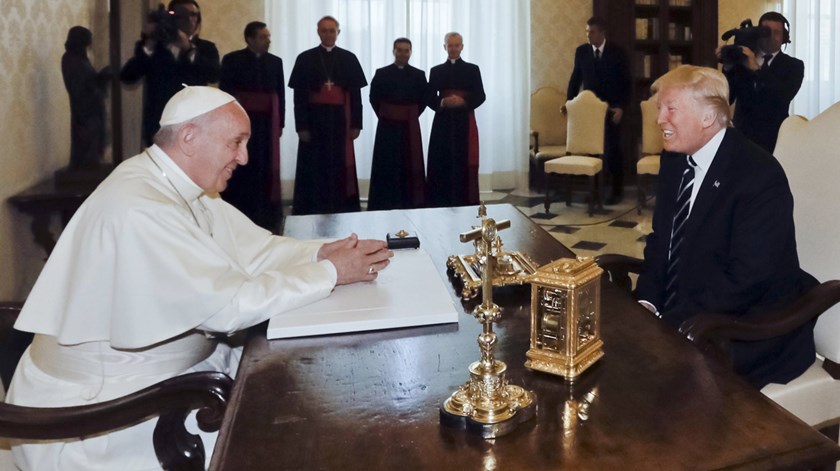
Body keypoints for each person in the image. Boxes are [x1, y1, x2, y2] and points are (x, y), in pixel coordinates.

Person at [6, 86, 392, 470]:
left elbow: (257, 250)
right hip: (108, 415)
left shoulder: (181, 187)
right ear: (190, 137)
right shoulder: (141, 206)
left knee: (306, 394)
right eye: (236, 142)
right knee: (294, 439)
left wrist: (321, 253)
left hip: (174, 377)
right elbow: (228, 307)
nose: (243, 157)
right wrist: (331, 272)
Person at [635, 65, 816, 389]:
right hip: (693, 312)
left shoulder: (758, 176)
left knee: (652, 389)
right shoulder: (676, 160)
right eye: (660, 108)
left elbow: (745, 280)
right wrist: (647, 303)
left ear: (707, 117)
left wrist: (669, 323)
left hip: (748, 327)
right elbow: (663, 240)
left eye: (670, 108)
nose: (660, 119)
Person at [288, 16, 367, 215]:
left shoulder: (349, 58)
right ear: (318, 32)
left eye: (332, 30)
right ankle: (313, 207)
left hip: (341, 121)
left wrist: (356, 124)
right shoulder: (305, 58)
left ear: (338, 33)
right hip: (315, 121)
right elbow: (299, 97)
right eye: (324, 30)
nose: (328, 34)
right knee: (314, 167)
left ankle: (341, 207)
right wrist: (301, 126)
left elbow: (356, 96)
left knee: (339, 168)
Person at [120, 0, 220, 146]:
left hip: (193, 122)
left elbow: (214, 75)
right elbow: (127, 77)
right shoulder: (153, 47)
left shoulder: (206, 48)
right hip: (159, 123)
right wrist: (148, 47)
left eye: (194, 15)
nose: (190, 20)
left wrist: (189, 50)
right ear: (172, 19)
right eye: (184, 15)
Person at [220, 21, 285, 231]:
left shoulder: (276, 62)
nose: (268, 41)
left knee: (265, 169)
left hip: (267, 127)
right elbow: (226, 94)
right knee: (243, 168)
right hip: (241, 126)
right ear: (249, 39)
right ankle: (242, 213)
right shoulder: (232, 60)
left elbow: (280, 96)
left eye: (268, 37)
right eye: (263, 37)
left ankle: (267, 216)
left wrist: (280, 124)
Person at [566, 16, 631, 205]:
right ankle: (594, 191)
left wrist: (621, 108)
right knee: (592, 152)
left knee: (613, 150)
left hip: (612, 110)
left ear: (602, 33)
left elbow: (627, 83)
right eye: (587, 31)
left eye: (592, 32)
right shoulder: (582, 52)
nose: (588, 35)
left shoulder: (617, 52)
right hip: (589, 112)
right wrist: (569, 104)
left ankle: (616, 191)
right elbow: (575, 80)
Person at [718, 11, 803, 153]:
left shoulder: (794, 66)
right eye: (766, 32)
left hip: (774, 140)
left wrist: (757, 69)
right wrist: (728, 66)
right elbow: (727, 96)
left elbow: (782, 96)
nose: (771, 37)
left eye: (777, 32)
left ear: (784, 37)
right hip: (742, 137)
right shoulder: (742, 60)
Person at [425, 32, 485, 208]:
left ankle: (463, 201)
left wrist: (463, 102)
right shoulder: (436, 71)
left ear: (462, 47)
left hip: (463, 122)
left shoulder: (473, 69)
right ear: (444, 47)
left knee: (462, 161)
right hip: (442, 123)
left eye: (456, 45)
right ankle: (439, 200)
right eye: (449, 45)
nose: (453, 48)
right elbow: (428, 96)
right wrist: (442, 101)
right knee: (441, 160)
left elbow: (481, 96)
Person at [367, 37, 427, 210]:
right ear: (393, 51)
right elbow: (374, 98)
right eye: (399, 50)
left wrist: (409, 115)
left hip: (410, 128)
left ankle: (409, 202)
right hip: (387, 128)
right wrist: (387, 114)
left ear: (410, 52)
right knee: (386, 165)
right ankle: (384, 203)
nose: (402, 54)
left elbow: (423, 100)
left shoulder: (419, 75)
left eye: (406, 50)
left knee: (409, 166)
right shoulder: (381, 73)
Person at [62, 26, 110, 169]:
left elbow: (88, 79)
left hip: (91, 108)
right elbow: (78, 87)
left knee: (93, 142)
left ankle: (91, 162)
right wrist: (98, 81)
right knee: (86, 142)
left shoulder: (80, 58)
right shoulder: (70, 58)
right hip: (84, 110)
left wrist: (100, 77)